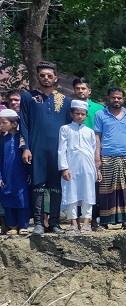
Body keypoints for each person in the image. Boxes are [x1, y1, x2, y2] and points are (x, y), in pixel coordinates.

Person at [20, 61, 72, 235]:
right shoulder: (28, 97)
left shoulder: (66, 101)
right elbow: (24, 125)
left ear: (55, 78)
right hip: (37, 149)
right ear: (38, 77)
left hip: (58, 151)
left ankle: (55, 223)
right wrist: (25, 147)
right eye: (42, 75)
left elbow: (69, 129)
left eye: (50, 75)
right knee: (38, 186)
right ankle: (39, 223)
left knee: (56, 186)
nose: (46, 78)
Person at [94, 87, 126, 230]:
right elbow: (97, 137)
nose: (116, 100)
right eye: (113, 97)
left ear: (123, 99)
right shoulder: (100, 114)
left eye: (119, 98)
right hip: (107, 156)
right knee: (107, 190)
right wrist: (97, 157)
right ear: (109, 98)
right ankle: (105, 221)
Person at [58, 100, 101, 234]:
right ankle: (73, 223)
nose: (80, 116)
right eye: (77, 113)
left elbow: (94, 151)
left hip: (88, 166)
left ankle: (86, 223)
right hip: (71, 166)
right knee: (71, 193)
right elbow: (61, 150)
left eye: (83, 114)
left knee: (88, 192)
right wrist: (64, 168)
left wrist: (97, 169)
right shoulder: (65, 129)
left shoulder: (89, 131)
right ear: (72, 114)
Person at [0, 109, 30, 235]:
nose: (1, 125)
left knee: (22, 199)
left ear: (14, 124)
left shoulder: (23, 139)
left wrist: (29, 174)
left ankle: (23, 225)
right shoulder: (2, 140)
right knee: (8, 198)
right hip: (6, 175)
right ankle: (12, 225)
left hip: (21, 174)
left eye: (3, 123)